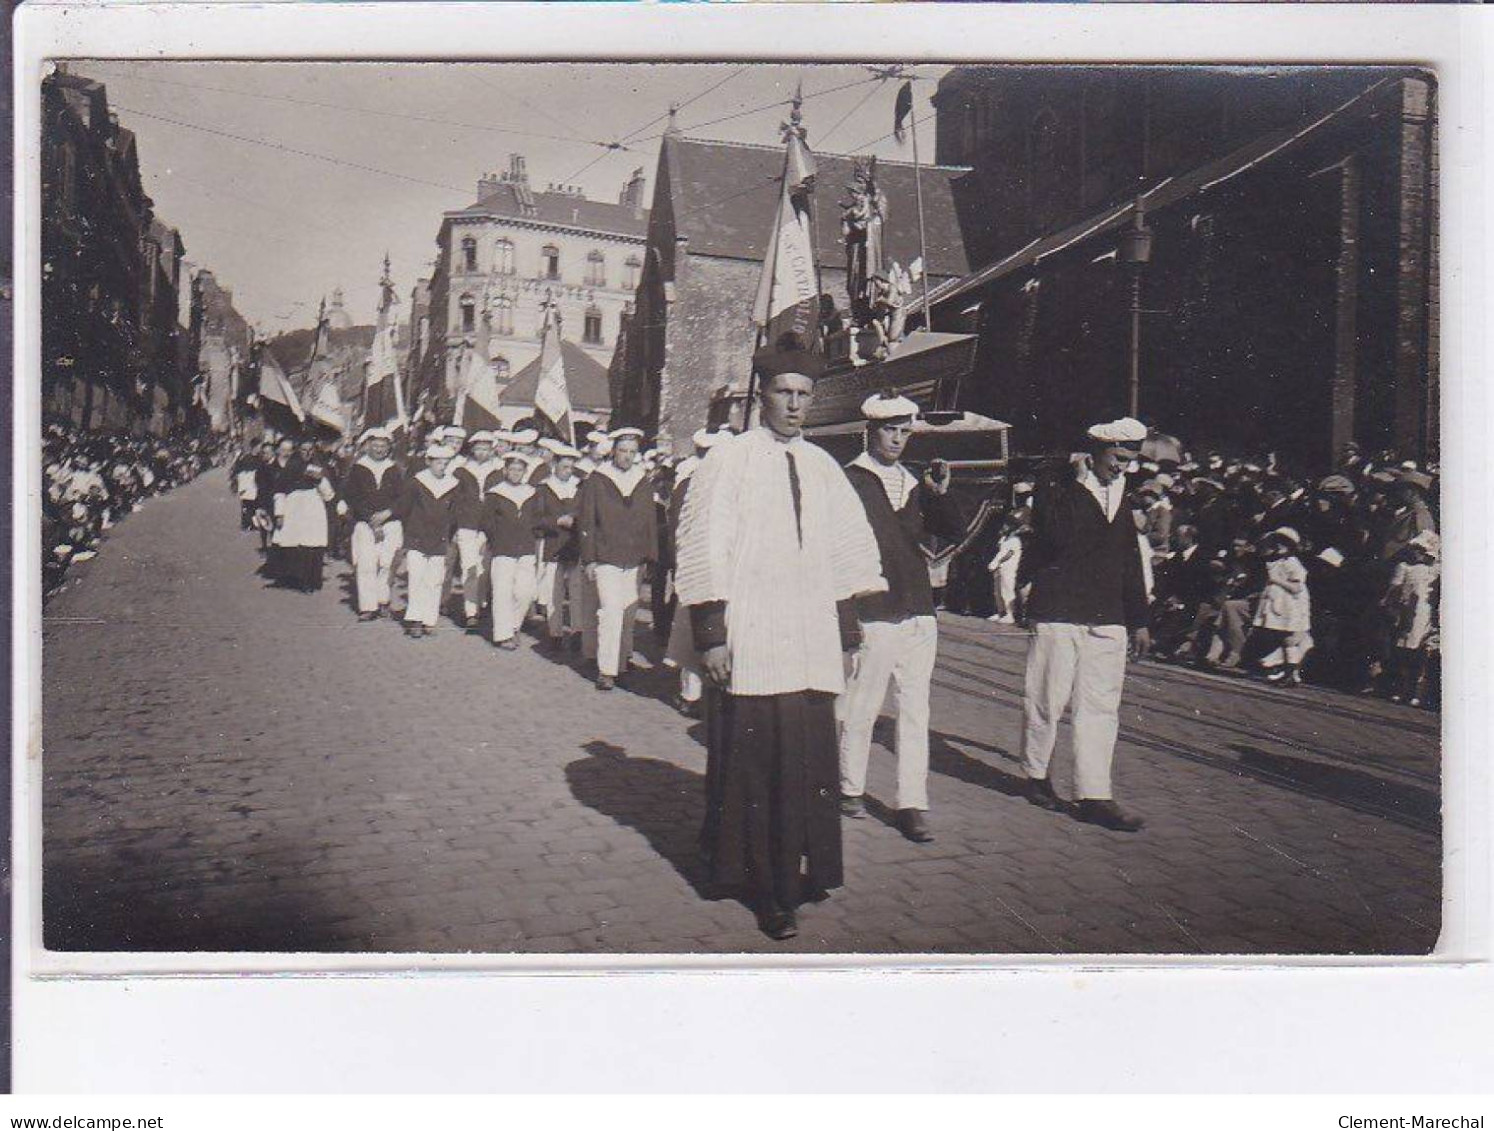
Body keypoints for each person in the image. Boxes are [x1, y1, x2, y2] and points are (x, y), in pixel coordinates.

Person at [673, 344, 886, 940]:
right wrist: (711, 634)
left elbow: (845, 552)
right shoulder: (729, 460)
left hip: (810, 640)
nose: (794, 405)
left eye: (804, 394)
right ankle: (766, 889)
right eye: (783, 393)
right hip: (754, 637)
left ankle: (799, 869)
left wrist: (846, 633)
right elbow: (702, 546)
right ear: (760, 395)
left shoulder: (822, 466)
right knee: (757, 764)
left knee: (807, 762)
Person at [837, 392, 964, 844]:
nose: (898, 439)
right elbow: (835, 552)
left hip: (917, 611)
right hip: (873, 609)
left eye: (905, 431)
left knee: (915, 708)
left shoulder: (912, 482)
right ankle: (849, 786)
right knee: (862, 702)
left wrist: (939, 493)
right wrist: (845, 615)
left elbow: (953, 530)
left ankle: (911, 802)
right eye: (890, 430)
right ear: (870, 431)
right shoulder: (850, 480)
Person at [1018, 416, 1151, 832]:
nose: (1122, 468)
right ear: (1094, 452)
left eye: (1129, 461)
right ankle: (1037, 775)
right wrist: (1075, 483)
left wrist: (1139, 619)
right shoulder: (1058, 490)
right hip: (1058, 611)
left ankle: (1095, 794)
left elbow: (1130, 559)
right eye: (1116, 458)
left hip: (1107, 615)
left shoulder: (1123, 495)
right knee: (1046, 698)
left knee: (1100, 706)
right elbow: (1055, 536)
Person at [577, 426, 657, 691]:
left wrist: (650, 557)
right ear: (613, 451)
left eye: (632, 452)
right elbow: (587, 519)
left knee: (628, 612)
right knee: (610, 610)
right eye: (623, 451)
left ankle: (622, 662)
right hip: (606, 556)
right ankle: (607, 670)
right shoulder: (598, 479)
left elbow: (649, 520)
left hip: (633, 558)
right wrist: (589, 558)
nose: (627, 456)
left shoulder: (642, 480)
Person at [396, 442, 460, 638]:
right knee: (416, 578)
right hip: (417, 537)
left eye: (445, 462)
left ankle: (429, 620)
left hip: (440, 539)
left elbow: (454, 513)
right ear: (428, 462)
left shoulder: (452, 484)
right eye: (438, 462)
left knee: (434, 580)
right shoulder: (417, 482)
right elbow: (405, 510)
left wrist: (450, 534)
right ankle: (415, 619)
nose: (442, 466)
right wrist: (409, 535)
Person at [342, 427, 406, 621]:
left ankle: (383, 600)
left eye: (383, 446)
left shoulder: (394, 468)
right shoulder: (358, 468)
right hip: (365, 523)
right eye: (375, 445)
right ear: (368, 446)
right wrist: (371, 519)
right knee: (366, 563)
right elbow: (353, 496)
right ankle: (368, 606)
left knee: (387, 563)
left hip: (391, 523)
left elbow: (402, 497)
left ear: (389, 448)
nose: (379, 449)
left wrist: (388, 513)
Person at [483, 451, 543, 651]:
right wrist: (497, 538)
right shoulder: (495, 493)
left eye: (520, 470)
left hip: (526, 549)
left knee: (525, 591)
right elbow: (487, 521)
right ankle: (503, 634)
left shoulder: (531, 493)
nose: (516, 473)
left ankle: (515, 624)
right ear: (505, 470)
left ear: (525, 472)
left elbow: (537, 518)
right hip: (503, 549)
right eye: (512, 469)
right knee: (502, 591)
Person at [535, 439, 585, 651]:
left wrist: (575, 519)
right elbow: (537, 517)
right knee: (553, 590)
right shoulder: (545, 488)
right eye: (564, 466)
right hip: (553, 543)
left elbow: (586, 512)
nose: (568, 471)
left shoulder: (580, 486)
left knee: (576, 590)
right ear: (554, 464)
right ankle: (554, 632)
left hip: (575, 543)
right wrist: (556, 522)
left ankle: (577, 630)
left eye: (571, 467)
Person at [451, 430, 504, 632]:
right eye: (478, 448)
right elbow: (455, 501)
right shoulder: (462, 471)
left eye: (486, 448)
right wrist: (455, 526)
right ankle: (470, 611)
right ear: (472, 449)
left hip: (489, 527)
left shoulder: (499, 472)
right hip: (467, 525)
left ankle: (481, 603)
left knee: (485, 568)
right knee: (469, 567)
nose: (482, 452)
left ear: (492, 450)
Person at [1247, 527, 1313, 685]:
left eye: (1284, 543)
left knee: (1289, 639)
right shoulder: (1276, 562)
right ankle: (1287, 670)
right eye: (1277, 542)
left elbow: (1296, 587)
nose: (1279, 546)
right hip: (1276, 604)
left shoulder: (1293, 564)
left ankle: (1290, 672)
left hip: (1289, 605)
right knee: (1284, 639)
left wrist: (1276, 580)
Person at [269, 438, 337, 593]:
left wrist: (320, 481)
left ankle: (314, 580)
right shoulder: (290, 468)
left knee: (313, 545)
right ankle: (300, 580)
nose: (307, 453)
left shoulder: (319, 468)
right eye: (303, 450)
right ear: (298, 451)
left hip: (314, 509)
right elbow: (279, 491)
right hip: (294, 509)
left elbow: (329, 495)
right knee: (297, 545)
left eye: (310, 450)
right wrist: (279, 514)